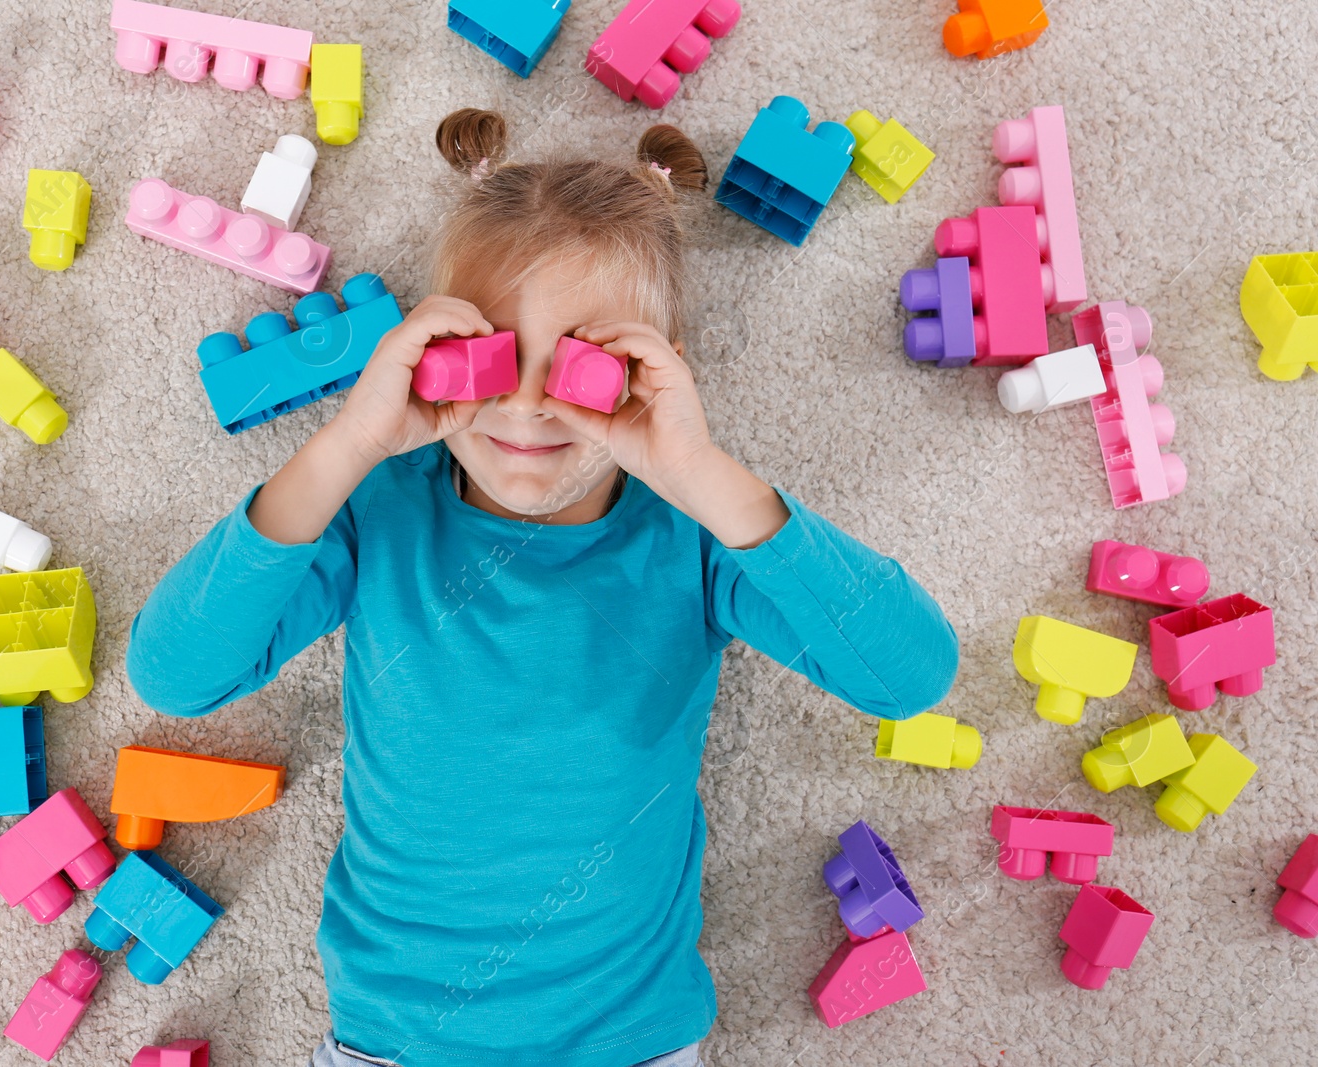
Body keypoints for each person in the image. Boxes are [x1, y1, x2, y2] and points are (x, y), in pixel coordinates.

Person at [127, 108, 959, 1067]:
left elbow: (911, 676)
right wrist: (348, 442)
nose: (524, 402)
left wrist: (702, 473)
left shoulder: (695, 530)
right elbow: (175, 674)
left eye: (580, 365)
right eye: (489, 352)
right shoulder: (375, 508)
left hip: (629, 1042)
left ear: (659, 375)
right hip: (396, 1043)